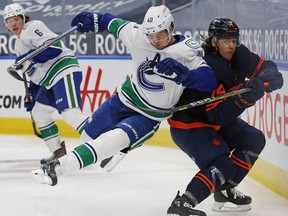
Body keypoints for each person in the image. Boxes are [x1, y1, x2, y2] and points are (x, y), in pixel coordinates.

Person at [30, 5, 217, 186]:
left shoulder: (186, 50)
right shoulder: (138, 36)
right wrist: (94, 20)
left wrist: (186, 75)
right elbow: (112, 23)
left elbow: (209, 80)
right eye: (151, 35)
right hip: (124, 100)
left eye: (160, 34)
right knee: (87, 136)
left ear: (172, 28)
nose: (155, 40)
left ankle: (58, 168)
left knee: (113, 140)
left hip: (150, 115)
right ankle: (116, 148)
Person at [166, 18, 283, 216]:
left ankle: (225, 191)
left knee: (253, 139)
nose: (231, 45)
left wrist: (269, 74)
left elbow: (263, 65)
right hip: (190, 125)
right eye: (226, 41)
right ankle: (182, 204)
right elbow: (217, 115)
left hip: (214, 118)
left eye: (234, 40)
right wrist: (245, 98)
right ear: (213, 41)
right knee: (223, 165)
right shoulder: (208, 66)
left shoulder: (239, 53)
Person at [3, 3, 89, 164]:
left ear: (23, 18)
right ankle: (58, 151)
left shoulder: (32, 27)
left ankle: (104, 143)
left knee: (70, 114)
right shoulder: (19, 44)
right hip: (50, 81)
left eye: (16, 19)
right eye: (9, 21)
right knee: (39, 113)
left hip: (63, 71)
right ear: (6, 24)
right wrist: (33, 96)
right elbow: (35, 76)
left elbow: (54, 48)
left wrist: (28, 57)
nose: (13, 23)